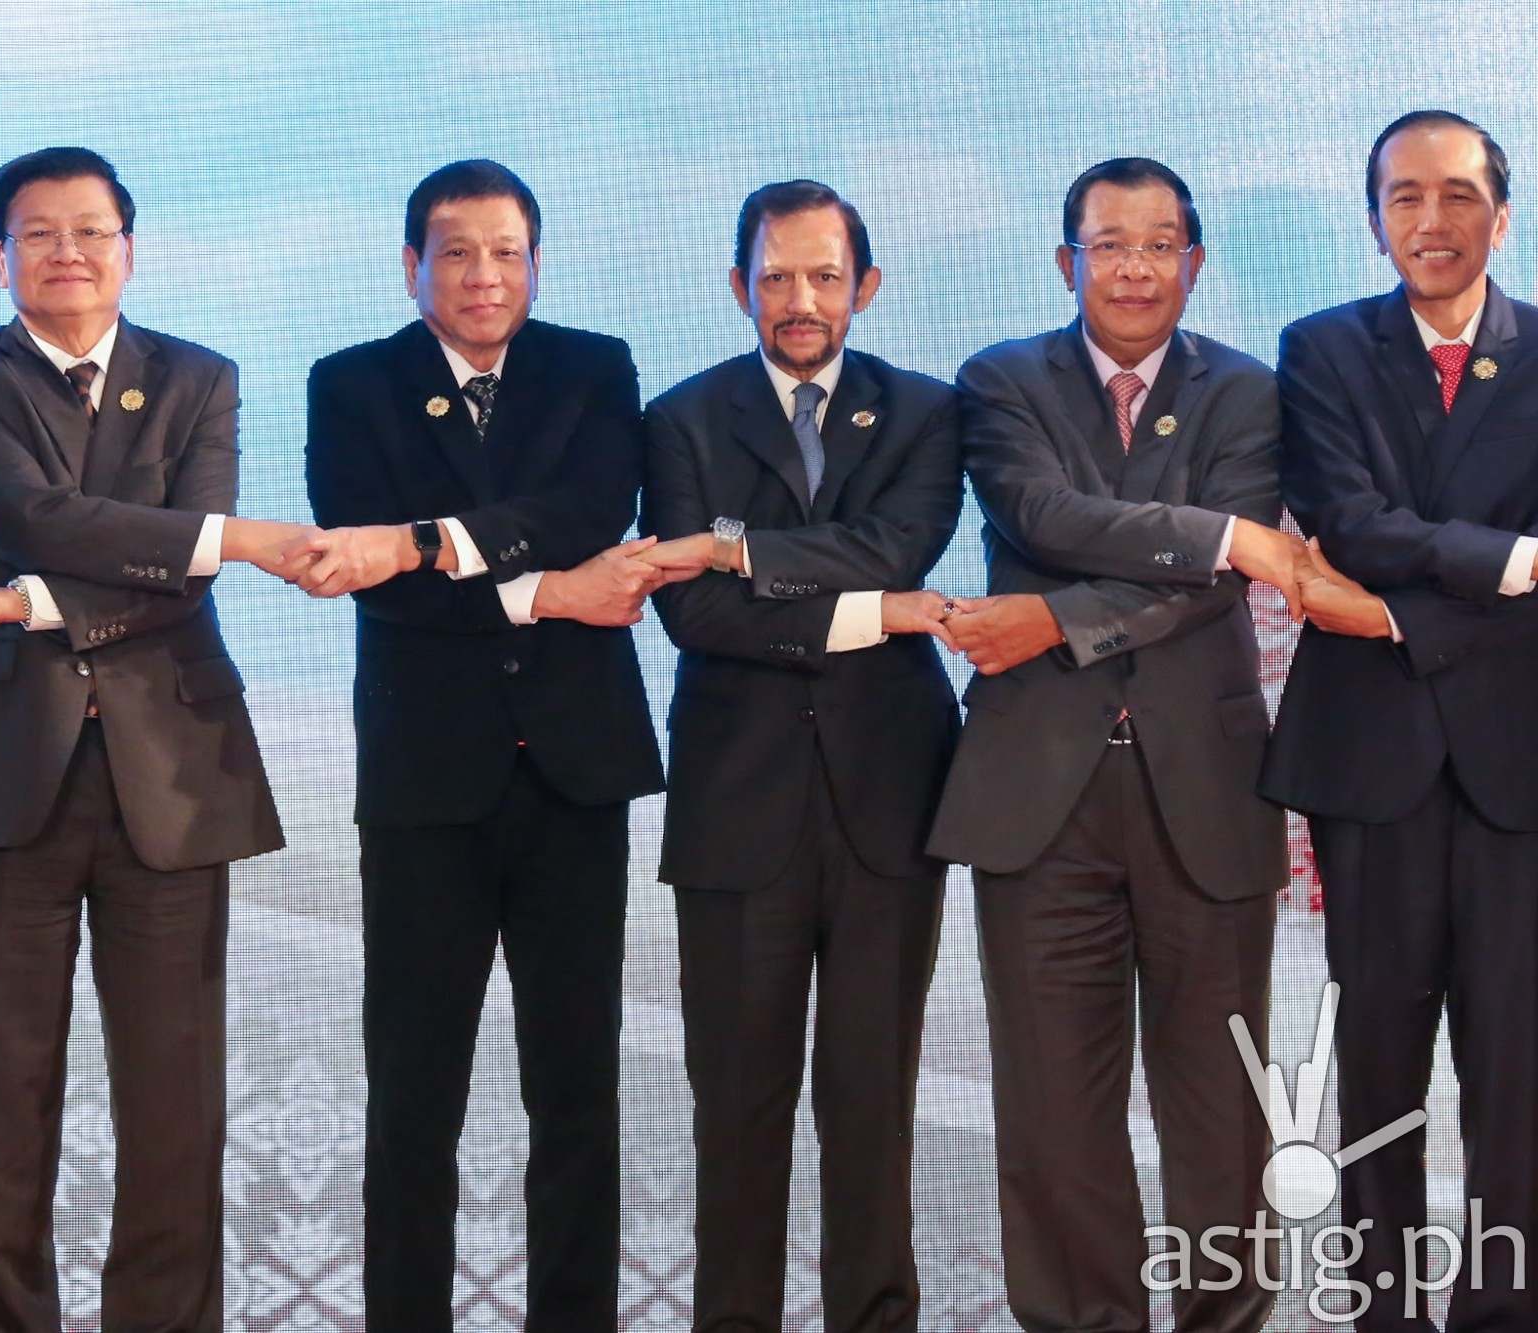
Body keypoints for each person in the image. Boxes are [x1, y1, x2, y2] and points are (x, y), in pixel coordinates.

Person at [0, 146, 306, 1331]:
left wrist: (32, 600)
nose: (67, 250)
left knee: (174, 1098)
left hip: (174, 775)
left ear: (130, 248)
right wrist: (208, 540)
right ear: (2, 257)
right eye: (39, 232)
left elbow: (182, 562)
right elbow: (18, 516)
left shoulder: (200, 377)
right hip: (2, 771)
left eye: (91, 229)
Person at [927, 157, 1301, 1332]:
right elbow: (1040, 514)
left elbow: (1200, 595)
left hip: (1205, 786)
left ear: (1190, 260)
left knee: (1217, 1108)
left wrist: (1048, 616)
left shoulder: (1249, 393)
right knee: (1050, 1107)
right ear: (1064, 261)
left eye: (1157, 244)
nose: (1132, 267)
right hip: (1039, 794)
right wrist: (1222, 535)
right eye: (1107, 244)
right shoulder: (997, 382)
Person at [297, 159, 667, 1331]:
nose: (482, 275)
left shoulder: (592, 367)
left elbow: (591, 509)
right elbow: (371, 577)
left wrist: (425, 541)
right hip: (424, 782)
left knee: (575, 1091)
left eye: (505, 251)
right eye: (455, 252)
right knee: (412, 1094)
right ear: (410, 265)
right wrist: (545, 595)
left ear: (535, 261)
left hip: (572, 774)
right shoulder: (350, 384)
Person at [638, 178, 962, 1331]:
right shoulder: (677, 419)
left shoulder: (926, 412)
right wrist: (874, 610)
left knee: (871, 1103)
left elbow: (899, 541)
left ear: (863, 287)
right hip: (736, 809)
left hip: (889, 802)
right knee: (734, 1106)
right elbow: (693, 619)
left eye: (824, 275)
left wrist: (728, 545)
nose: (799, 298)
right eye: (774, 276)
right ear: (738, 287)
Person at [1262, 109, 1538, 1331]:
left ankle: (1500, 1308)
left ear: (1501, 210)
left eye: (1456, 195)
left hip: (1517, 762)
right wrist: (1516, 562)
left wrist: (1386, 614)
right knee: (1375, 1058)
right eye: (1402, 197)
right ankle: (1379, 1307)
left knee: (1516, 1067)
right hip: (1368, 762)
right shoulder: (1319, 350)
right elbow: (1347, 521)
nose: (1430, 222)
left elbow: (1376, 567)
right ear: (1373, 214)